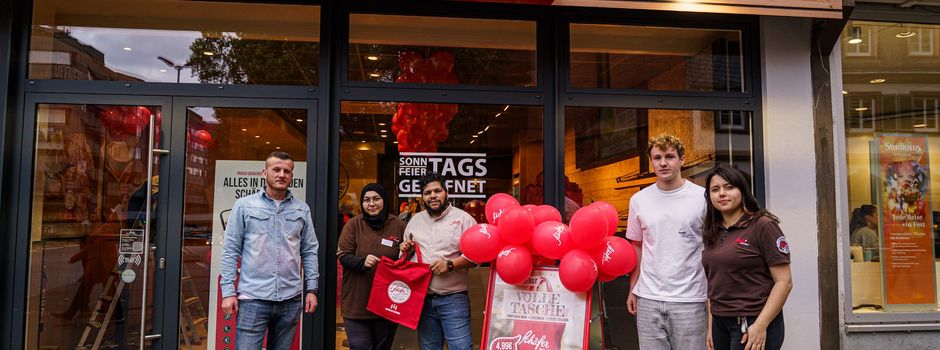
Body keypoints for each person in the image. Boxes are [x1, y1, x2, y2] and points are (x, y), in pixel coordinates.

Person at [220, 151, 319, 350]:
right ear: (264, 173)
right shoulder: (244, 206)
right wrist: (228, 292)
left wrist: (311, 290)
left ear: (291, 176)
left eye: (287, 171)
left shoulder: (302, 209)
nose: (281, 174)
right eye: (276, 169)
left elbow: (309, 251)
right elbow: (230, 250)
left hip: (290, 300)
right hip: (253, 298)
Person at [625, 134, 708, 350]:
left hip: (691, 300)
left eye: (669, 156)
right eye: (657, 157)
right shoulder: (639, 200)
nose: (663, 163)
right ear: (651, 161)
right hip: (648, 299)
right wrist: (633, 288)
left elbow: (712, 247)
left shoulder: (702, 198)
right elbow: (637, 246)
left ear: (682, 159)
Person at [702, 166, 792, 350]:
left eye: (729, 187)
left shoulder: (763, 225)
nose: (722, 194)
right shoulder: (712, 230)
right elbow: (714, 282)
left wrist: (760, 325)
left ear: (742, 190)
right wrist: (711, 327)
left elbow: (784, 282)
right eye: (715, 189)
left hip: (752, 320)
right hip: (721, 322)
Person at [399, 172, 477, 350]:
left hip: (454, 299)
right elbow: (404, 261)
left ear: (446, 192)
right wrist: (406, 251)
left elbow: (476, 258)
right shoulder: (414, 222)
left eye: (437, 191)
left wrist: (450, 265)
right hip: (423, 299)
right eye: (427, 193)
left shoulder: (464, 220)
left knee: (462, 348)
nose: (432, 196)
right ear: (422, 197)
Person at [337, 183, 406, 350]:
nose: (372, 204)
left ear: (384, 201)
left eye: (376, 199)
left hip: (387, 303)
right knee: (360, 346)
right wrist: (362, 262)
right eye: (367, 200)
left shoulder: (397, 224)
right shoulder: (354, 224)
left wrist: (405, 251)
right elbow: (343, 256)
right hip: (357, 302)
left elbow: (406, 261)